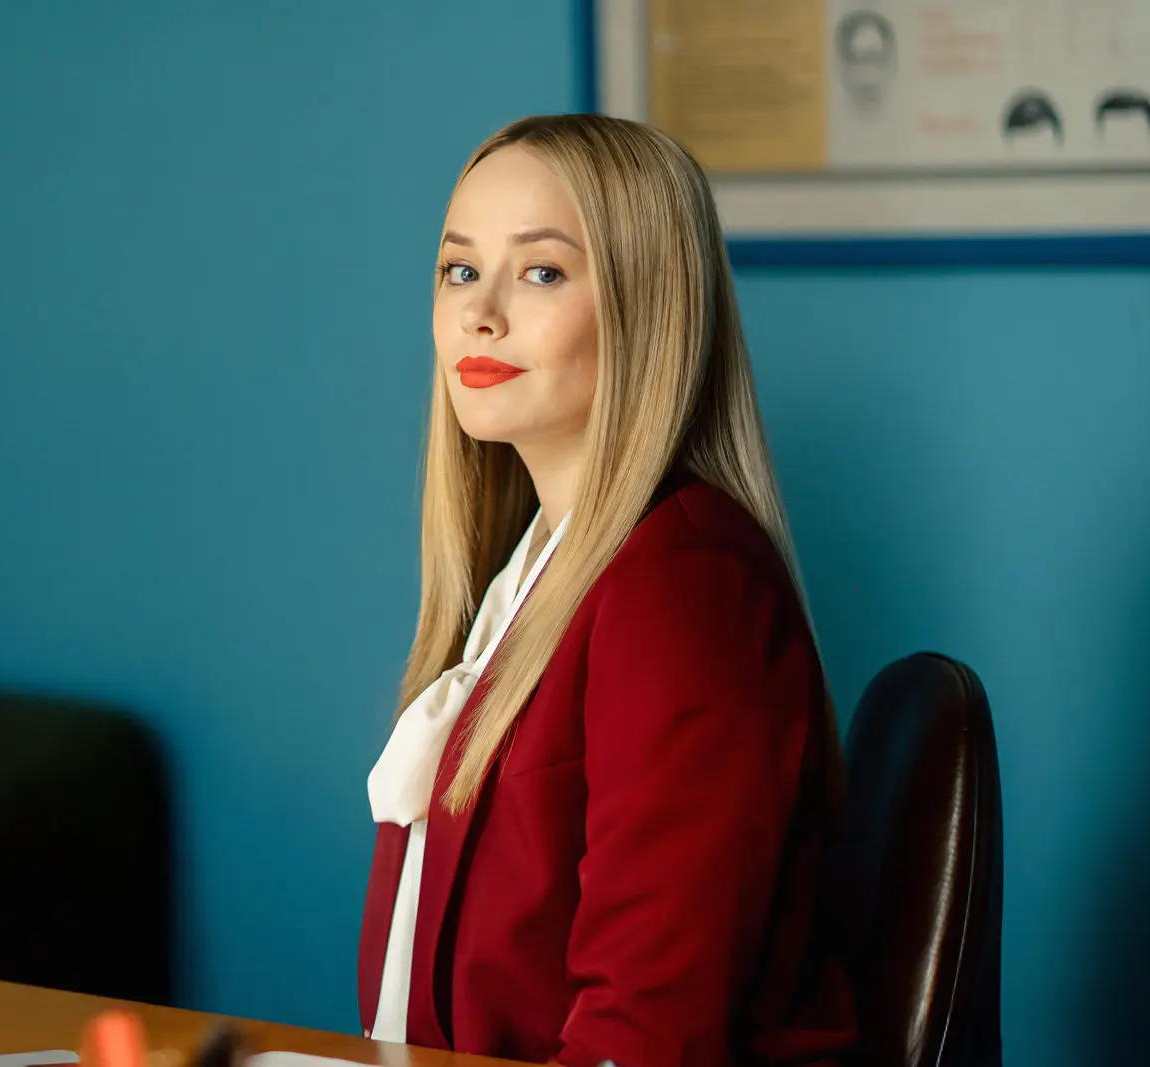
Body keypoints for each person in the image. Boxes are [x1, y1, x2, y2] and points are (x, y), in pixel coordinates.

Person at [360, 113, 855, 1067]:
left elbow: (645, 1035)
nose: (480, 313)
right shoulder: (535, 568)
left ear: (648, 308)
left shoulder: (686, 585)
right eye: (460, 269)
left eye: (541, 272)